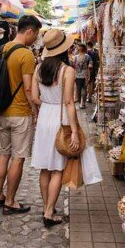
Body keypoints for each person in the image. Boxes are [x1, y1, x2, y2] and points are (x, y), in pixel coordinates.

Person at [31, 29, 80, 227]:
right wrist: (75, 130)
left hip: (44, 118)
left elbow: (34, 98)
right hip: (60, 119)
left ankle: (46, 206)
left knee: (44, 167)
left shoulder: (38, 68)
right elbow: (69, 102)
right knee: (58, 168)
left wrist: (47, 107)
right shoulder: (67, 71)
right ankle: (49, 212)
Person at [0, 15, 42, 215]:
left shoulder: (3, 48)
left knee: (4, 153)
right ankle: (10, 201)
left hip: (3, 110)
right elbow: (29, 89)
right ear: (29, 31)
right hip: (20, 112)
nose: (36, 39)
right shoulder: (26, 55)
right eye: (36, 34)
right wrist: (36, 110)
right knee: (18, 157)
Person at [72, 43, 92, 109]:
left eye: (78, 47)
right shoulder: (87, 56)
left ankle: (80, 102)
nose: (77, 48)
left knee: (79, 89)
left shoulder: (75, 57)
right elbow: (90, 66)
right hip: (84, 75)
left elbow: (73, 66)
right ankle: (82, 103)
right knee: (83, 89)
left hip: (78, 75)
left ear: (80, 48)